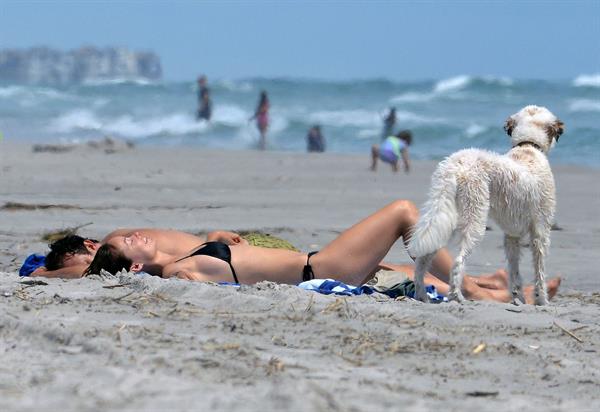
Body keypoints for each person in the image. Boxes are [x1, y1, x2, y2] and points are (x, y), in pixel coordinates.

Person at [81, 200, 560, 303]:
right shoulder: (181, 278)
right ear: (136, 265)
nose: (134, 235)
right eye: (128, 245)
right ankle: (476, 293)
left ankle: (491, 288)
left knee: (404, 238)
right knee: (403, 214)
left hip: (318, 260)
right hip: (323, 267)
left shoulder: (184, 261)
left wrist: (219, 239)